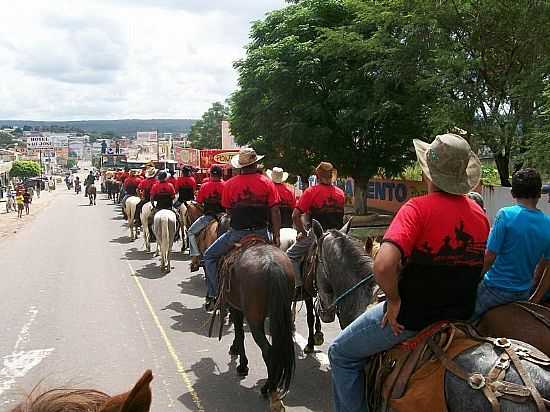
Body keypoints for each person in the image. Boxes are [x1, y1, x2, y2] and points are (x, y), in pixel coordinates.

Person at [328, 133, 490, 412]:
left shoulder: (417, 208)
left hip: (411, 318)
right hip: (462, 315)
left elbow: (383, 265)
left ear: (429, 174)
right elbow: (482, 263)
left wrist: (393, 300)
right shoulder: (480, 215)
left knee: (340, 353)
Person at [203, 148, 281, 311]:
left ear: (240, 166)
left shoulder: (230, 184)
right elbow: (274, 210)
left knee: (209, 256)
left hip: (237, 234)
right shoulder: (267, 182)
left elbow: (228, 211)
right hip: (262, 232)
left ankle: (215, 294)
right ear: (256, 163)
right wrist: (277, 236)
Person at [472, 168, 550, 319]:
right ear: (539, 194)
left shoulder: (505, 215)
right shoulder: (548, 225)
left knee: (462, 318)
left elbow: (489, 257)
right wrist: (535, 298)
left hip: (494, 289)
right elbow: (547, 269)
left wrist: (472, 282)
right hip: (522, 294)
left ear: (513, 192)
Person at [286, 162, 345, 288]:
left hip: (318, 234)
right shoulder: (341, 193)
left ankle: (298, 287)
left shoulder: (311, 192)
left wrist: (302, 232)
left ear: (317, 176)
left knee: (290, 255)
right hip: (338, 235)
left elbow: (295, 215)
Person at [188, 165, 226, 272]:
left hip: (208, 217)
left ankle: (195, 256)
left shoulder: (205, 186)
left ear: (210, 175)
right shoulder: (226, 185)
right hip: (224, 217)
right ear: (221, 174)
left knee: (190, 232)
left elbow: (199, 202)